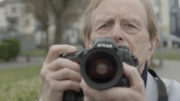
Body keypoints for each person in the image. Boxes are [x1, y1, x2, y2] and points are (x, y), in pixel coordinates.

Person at [39, 0, 180, 101]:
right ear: (87, 43)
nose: (115, 34)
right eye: (105, 25)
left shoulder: (175, 95)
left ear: (152, 46)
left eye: (130, 25)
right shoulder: (67, 90)